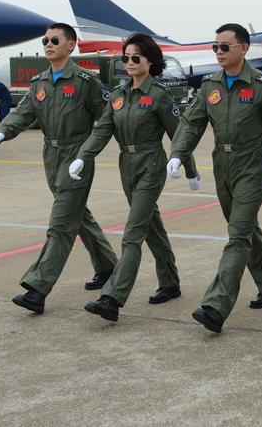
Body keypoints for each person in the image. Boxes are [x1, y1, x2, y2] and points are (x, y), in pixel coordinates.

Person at [167, 23, 262, 333]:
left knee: (237, 235)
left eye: (225, 47)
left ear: (244, 48)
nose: (219, 52)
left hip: (251, 165)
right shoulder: (209, 85)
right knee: (244, 228)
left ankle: (216, 304)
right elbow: (191, 124)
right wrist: (177, 153)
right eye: (215, 47)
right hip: (221, 165)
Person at [0, 23, 119, 314]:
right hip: (51, 155)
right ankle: (108, 266)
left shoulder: (86, 81)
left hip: (76, 156)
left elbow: (109, 117)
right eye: (45, 40)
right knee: (77, 215)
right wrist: (3, 131)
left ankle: (38, 288)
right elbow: (24, 112)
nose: (48, 44)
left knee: (60, 224)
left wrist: (95, 151)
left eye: (55, 40)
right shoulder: (40, 82)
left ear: (70, 45)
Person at [70, 32, 199, 322]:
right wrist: (82, 156)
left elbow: (179, 135)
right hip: (126, 164)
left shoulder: (159, 96)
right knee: (151, 225)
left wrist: (190, 170)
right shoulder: (117, 96)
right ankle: (170, 282)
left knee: (133, 232)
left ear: (150, 61)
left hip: (151, 165)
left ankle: (112, 297)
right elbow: (102, 130)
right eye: (125, 58)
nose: (129, 62)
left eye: (135, 58)